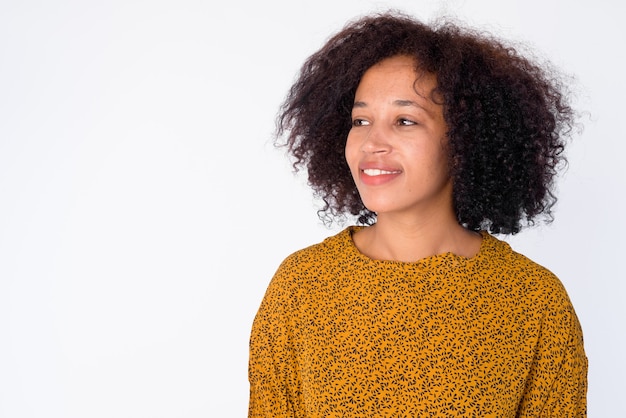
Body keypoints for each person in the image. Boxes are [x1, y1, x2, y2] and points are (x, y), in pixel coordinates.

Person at [248, 11, 587, 417]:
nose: (372, 142)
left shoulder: (535, 302)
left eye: (404, 120)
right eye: (361, 120)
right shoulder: (301, 287)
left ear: (465, 139)